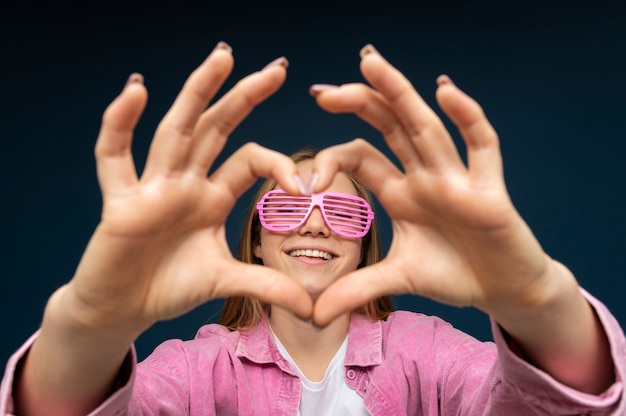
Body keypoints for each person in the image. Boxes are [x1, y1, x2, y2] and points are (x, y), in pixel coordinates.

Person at [1, 40, 625, 415]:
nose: (317, 225)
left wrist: (537, 304)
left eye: (345, 211)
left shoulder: (429, 352)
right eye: (287, 207)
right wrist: (90, 326)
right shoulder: (195, 371)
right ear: (257, 240)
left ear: (364, 242)